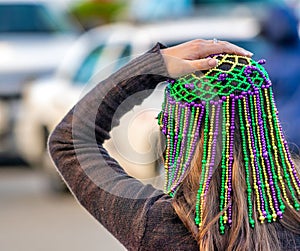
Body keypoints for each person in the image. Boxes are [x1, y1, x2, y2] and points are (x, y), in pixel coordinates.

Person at [48, 39, 300, 250]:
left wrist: (151, 67)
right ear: (264, 119)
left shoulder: (159, 227)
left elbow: (69, 141)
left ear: (172, 133)